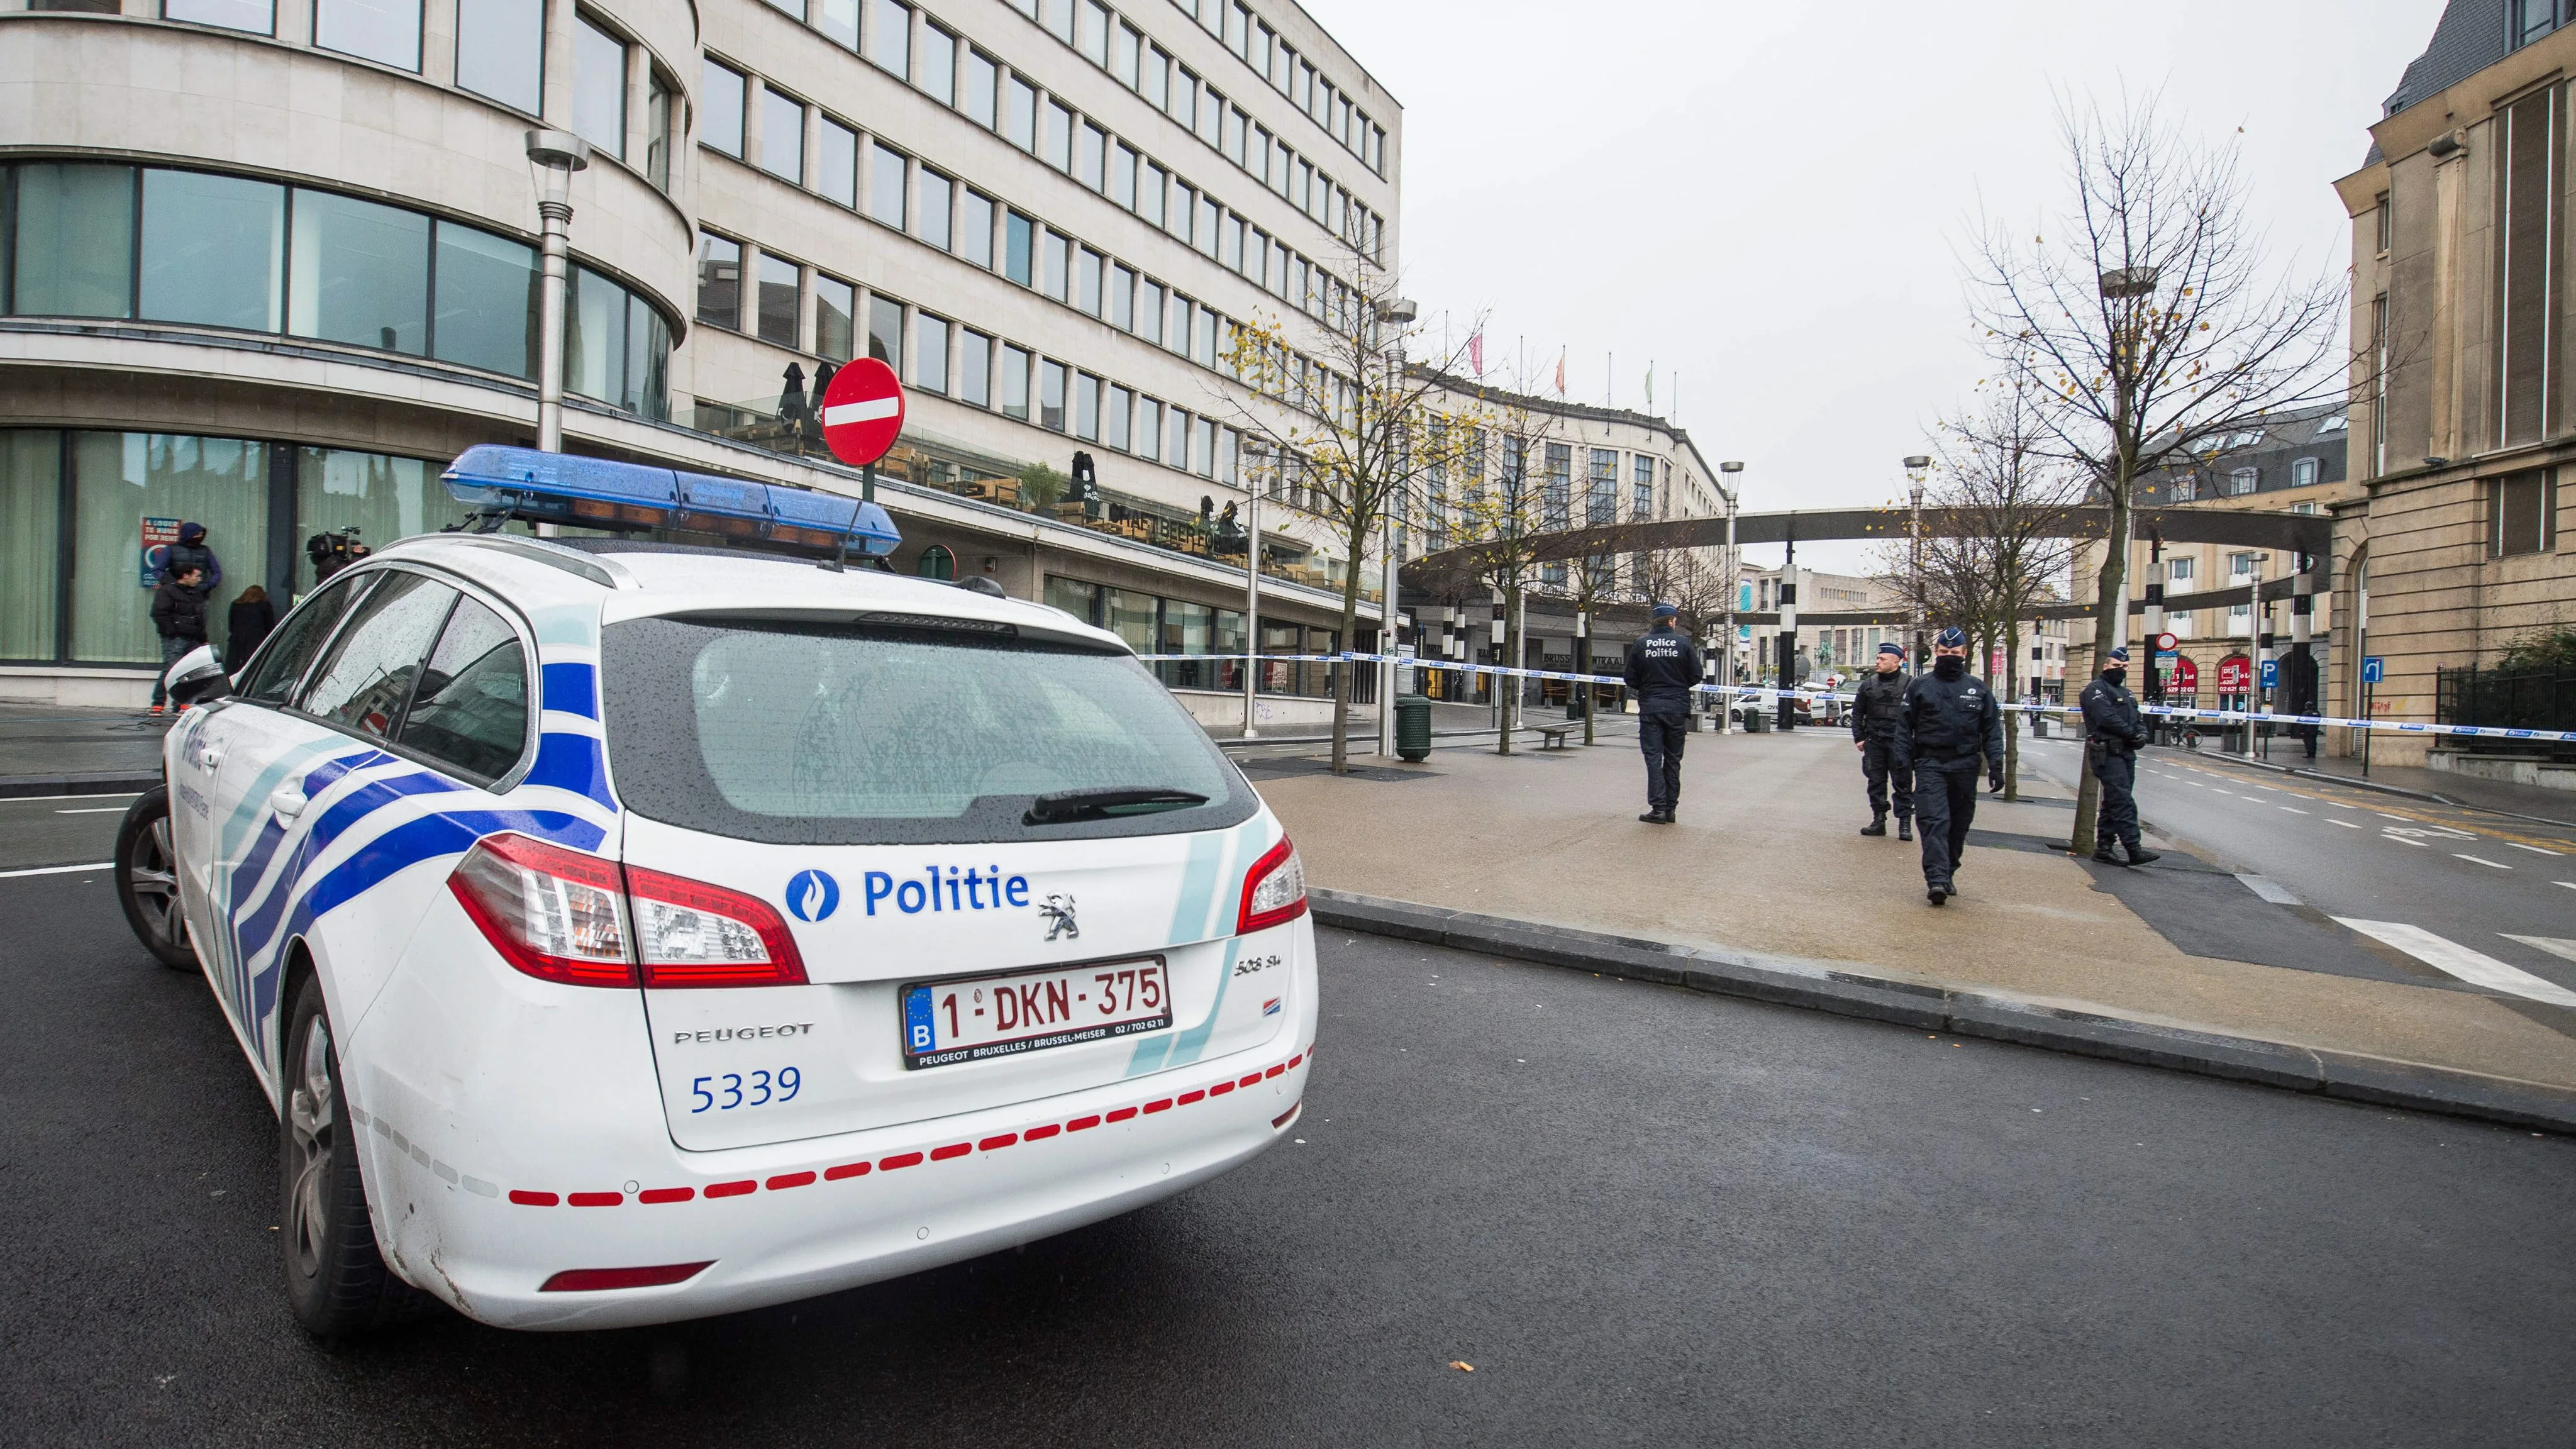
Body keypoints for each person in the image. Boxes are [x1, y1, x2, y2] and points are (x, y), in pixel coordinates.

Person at [1896, 626, 2002, 906]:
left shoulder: (1978, 689)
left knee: (1958, 825)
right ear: (1936, 652)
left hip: (1966, 766)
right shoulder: (1920, 686)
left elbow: (1992, 729)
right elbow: (1904, 729)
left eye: (1955, 653)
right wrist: (1902, 769)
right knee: (1934, 822)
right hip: (1931, 763)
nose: (1949, 657)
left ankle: (1949, 869)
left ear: (1965, 654)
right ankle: (1937, 879)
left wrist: (1997, 765)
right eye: (1944, 652)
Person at [1622, 602, 1704, 824]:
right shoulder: (1684, 644)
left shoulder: (1641, 644)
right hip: (1677, 708)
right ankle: (1670, 809)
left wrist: (1648, 687)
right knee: (1673, 759)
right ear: (1671, 621)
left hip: (1651, 708)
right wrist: (1678, 685)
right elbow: (1697, 674)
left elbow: (1630, 678)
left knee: (1653, 758)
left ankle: (1657, 808)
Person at [2079, 646, 2160, 867]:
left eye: (2125, 667)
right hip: (2107, 752)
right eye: (2117, 666)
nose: (2121, 670)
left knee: (2113, 802)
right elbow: (2106, 718)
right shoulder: (2095, 690)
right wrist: (2132, 733)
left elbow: (2139, 719)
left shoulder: (2127, 694)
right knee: (2123, 801)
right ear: (2105, 666)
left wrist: (2142, 734)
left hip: (2125, 753)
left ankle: (2104, 848)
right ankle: (2134, 848)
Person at [1850, 642, 1913, 840]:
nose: (1878, 662)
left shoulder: (1910, 685)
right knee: (1876, 782)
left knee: (1902, 782)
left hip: (1899, 742)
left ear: (1896, 662)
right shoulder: (1868, 685)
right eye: (1878, 658)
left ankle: (1905, 824)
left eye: (1882, 659)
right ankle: (1879, 821)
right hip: (1875, 741)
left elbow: (1919, 715)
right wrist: (1859, 738)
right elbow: (1858, 712)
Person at [148, 563, 209, 715]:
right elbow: (159, 613)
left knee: (189, 670)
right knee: (171, 670)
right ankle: (158, 703)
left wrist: (202, 638)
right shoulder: (167, 591)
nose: (199, 579)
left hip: (193, 637)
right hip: (175, 638)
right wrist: (172, 631)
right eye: (197, 576)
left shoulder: (195, 593)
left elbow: (200, 617)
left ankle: (181, 704)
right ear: (185, 576)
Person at [228, 583, 277, 668]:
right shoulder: (264, 605)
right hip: (257, 642)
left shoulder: (235, 605)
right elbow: (271, 627)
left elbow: (231, 626)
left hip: (237, 642)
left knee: (234, 668)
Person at [163, 521, 220, 592]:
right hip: (175, 594)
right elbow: (158, 570)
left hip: (200, 595)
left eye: (201, 534)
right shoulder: (171, 549)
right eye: (197, 534)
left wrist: (208, 585)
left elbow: (217, 571)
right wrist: (174, 585)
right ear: (187, 535)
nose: (200, 537)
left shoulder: (205, 550)